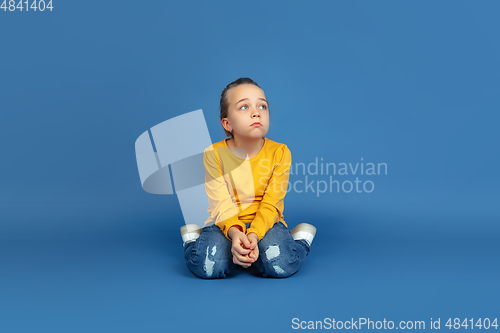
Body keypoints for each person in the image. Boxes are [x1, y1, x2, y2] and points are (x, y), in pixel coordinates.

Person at [180, 77, 317, 278]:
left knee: (281, 265)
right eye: (244, 107)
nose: (256, 112)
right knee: (208, 267)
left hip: (265, 221)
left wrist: (253, 235)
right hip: (224, 222)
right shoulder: (214, 154)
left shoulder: (280, 152)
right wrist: (236, 234)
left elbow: (272, 203)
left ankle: (300, 240)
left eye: (262, 106)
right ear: (227, 123)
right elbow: (220, 202)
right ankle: (192, 240)